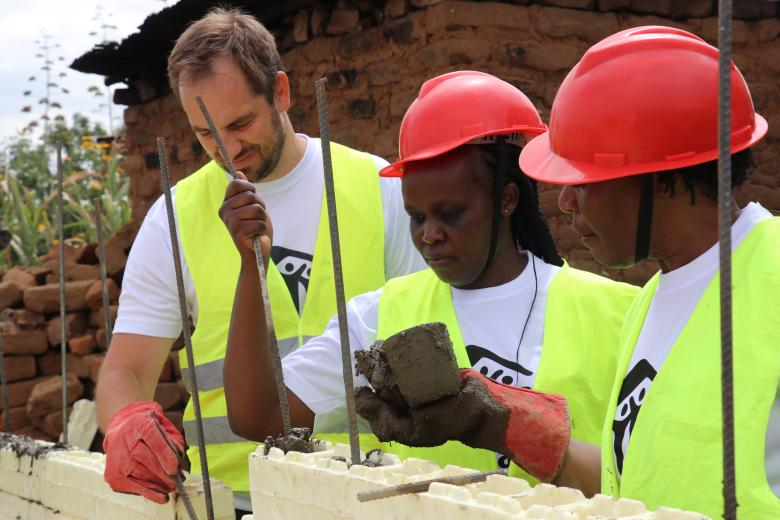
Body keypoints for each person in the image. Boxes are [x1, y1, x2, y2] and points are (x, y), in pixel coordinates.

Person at [360, 27, 780, 518]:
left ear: (659, 179)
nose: (564, 202)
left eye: (583, 182)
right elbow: (633, 485)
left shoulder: (771, 276)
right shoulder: (652, 302)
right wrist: (495, 421)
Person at [222, 70, 639, 477]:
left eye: (450, 213)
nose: (429, 235)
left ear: (507, 199)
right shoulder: (380, 317)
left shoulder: (621, 313)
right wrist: (250, 266)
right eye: (416, 216)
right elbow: (261, 417)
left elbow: (641, 474)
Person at [96, 7, 424, 513]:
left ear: (282, 93)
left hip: (367, 496)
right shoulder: (175, 217)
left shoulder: (378, 188)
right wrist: (124, 420)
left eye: (241, 123)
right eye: (206, 134)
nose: (228, 150)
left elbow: (426, 338)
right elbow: (126, 370)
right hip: (231, 500)